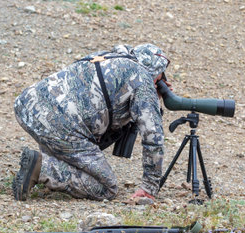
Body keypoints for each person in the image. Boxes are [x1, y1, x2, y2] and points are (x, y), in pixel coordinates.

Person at [12, 43, 172, 202]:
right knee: (107, 188)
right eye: (162, 76)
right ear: (155, 71)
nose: (163, 80)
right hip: (61, 125)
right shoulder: (142, 80)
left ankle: (47, 166)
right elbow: (153, 137)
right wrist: (150, 187)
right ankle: (41, 169)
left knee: (74, 151)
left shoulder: (108, 58)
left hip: (26, 105)